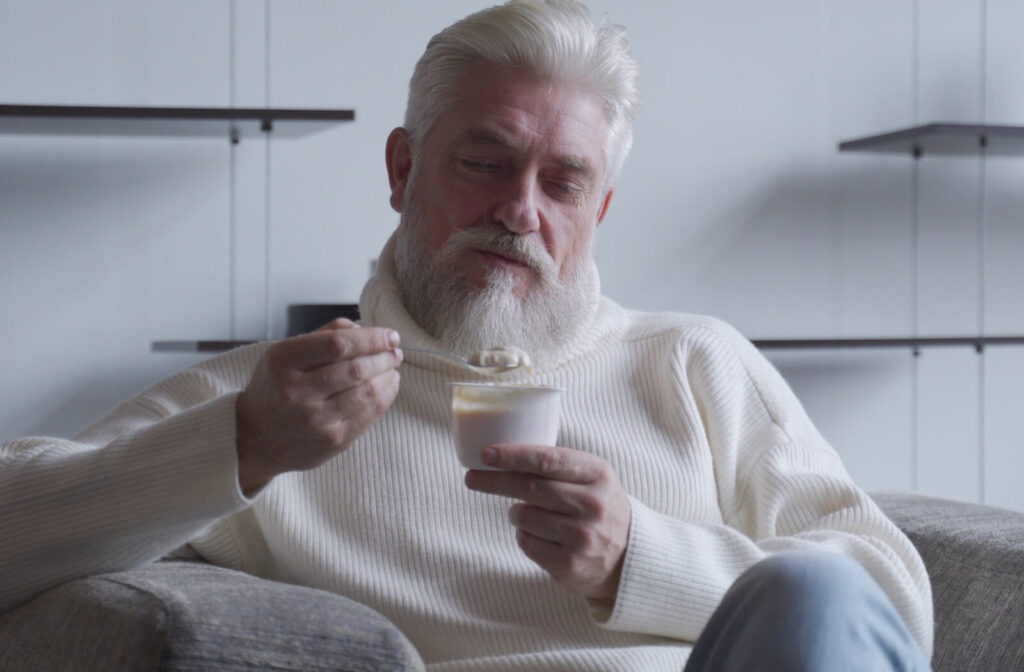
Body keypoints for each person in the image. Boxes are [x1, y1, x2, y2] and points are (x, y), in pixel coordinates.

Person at [0, 1, 932, 670]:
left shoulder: (694, 362)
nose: (518, 212)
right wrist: (239, 445)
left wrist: (640, 560)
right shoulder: (278, 402)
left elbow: (887, 607)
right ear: (404, 168)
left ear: (599, 209)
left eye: (562, 183)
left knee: (815, 592)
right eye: (484, 163)